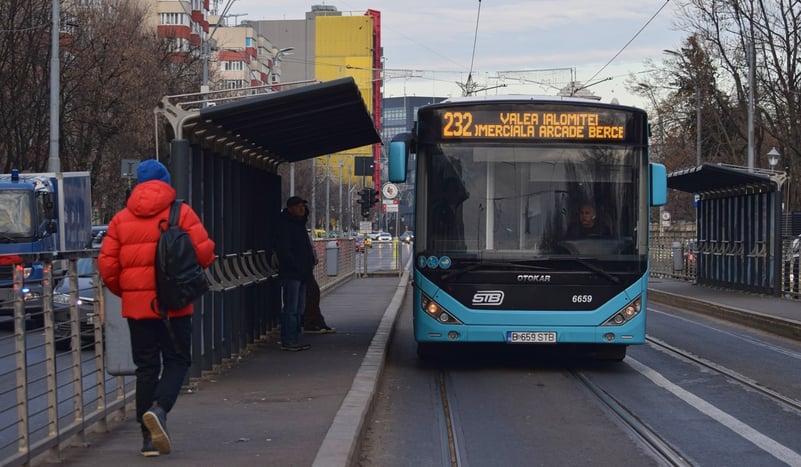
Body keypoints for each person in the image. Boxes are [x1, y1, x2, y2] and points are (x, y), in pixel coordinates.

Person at [98, 159, 215, 457]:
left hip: (138, 309)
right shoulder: (181, 213)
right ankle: (159, 410)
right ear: (165, 182)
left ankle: (147, 440)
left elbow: (108, 266)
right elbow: (205, 254)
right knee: (177, 361)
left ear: (137, 184)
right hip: (174, 305)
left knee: (147, 368)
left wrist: (128, 293)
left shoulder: (121, 219)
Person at [274, 196, 316, 350]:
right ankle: (289, 340)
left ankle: (295, 338)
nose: (302, 209)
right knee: (291, 308)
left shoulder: (299, 224)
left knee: (299, 308)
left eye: (303, 207)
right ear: (290, 208)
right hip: (292, 273)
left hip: (302, 273)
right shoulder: (285, 225)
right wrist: (298, 266)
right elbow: (285, 251)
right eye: (298, 206)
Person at [302, 206, 335, 334]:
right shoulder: (296, 228)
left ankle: (316, 322)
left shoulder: (300, 228)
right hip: (300, 268)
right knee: (310, 294)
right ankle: (310, 323)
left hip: (305, 267)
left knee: (311, 294)